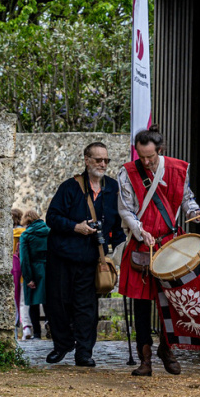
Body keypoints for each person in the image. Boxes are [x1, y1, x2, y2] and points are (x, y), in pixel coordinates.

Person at [117, 126, 200, 376]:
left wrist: (196, 214)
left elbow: (186, 199)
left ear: (160, 150)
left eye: (150, 156)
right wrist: (140, 230)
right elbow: (126, 209)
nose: (146, 161)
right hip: (141, 244)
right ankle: (145, 359)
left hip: (170, 243)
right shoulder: (127, 173)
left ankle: (167, 349)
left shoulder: (179, 169)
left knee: (171, 301)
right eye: (141, 156)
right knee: (141, 305)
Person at [44, 142, 126, 367]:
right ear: (87, 160)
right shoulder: (70, 187)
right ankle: (62, 345)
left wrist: (120, 252)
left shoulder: (113, 189)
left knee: (86, 306)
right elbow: (51, 217)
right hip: (62, 256)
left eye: (106, 160)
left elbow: (118, 226)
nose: (102, 164)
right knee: (58, 303)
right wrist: (75, 227)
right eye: (98, 159)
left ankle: (84, 351)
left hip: (91, 259)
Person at [19, 210, 50, 340]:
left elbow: (24, 259)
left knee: (32, 303)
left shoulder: (26, 235)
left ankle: (37, 333)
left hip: (33, 269)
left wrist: (28, 277)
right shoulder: (49, 232)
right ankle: (51, 325)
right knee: (49, 301)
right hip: (48, 269)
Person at [11, 209, 27, 338]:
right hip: (24, 266)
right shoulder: (25, 233)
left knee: (13, 297)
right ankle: (25, 325)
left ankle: (15, 323)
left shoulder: (10, 233)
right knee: (22, 297)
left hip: (12, 265)